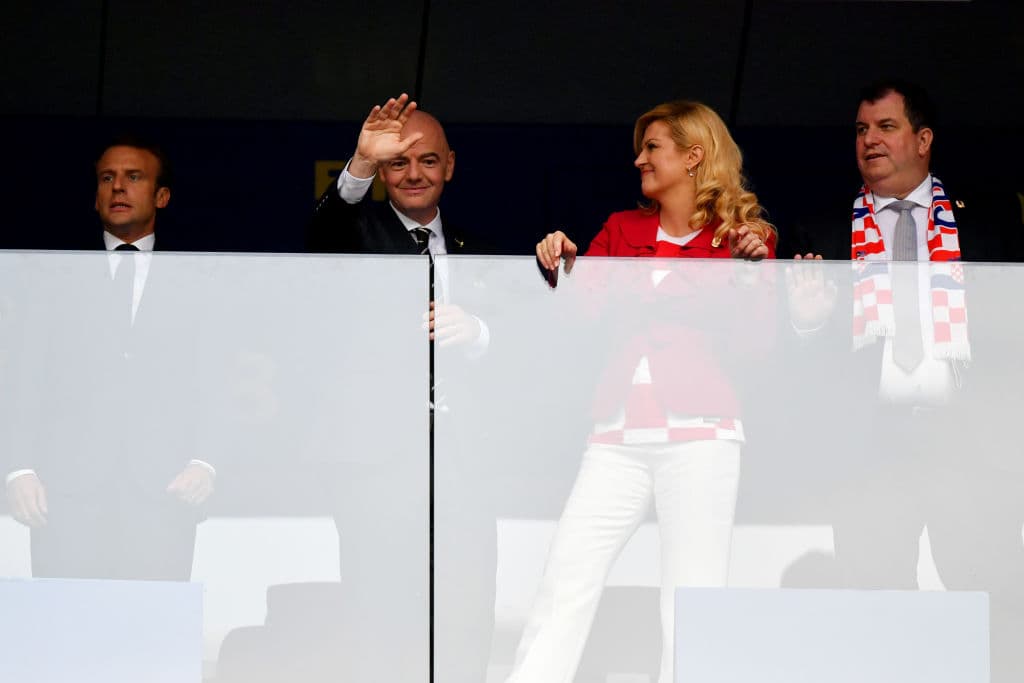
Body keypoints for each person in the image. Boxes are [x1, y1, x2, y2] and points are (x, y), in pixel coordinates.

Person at [515, 100, 774, 683]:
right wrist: (561, 262)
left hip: (702, 439)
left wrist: (752, 276)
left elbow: (757, 347)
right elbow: (578, 320)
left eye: (652, 147)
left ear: (693, 155)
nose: (639, 159)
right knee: (565, 582)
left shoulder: (743, 238)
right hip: (615, 437)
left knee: (692, 601)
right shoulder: (620, 228)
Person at [781, 80, 1024, 683]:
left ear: (923, 138)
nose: (869, 141)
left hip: (968, 440)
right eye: (861, 130)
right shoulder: (823, 229)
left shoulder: (990, 219)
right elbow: (794, 358)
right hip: (871, 441)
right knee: (873, 595)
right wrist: (807, 325)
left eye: (886, 127)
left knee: (989, 592)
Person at [307, 94, 496, 683]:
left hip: (462, 464)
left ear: (452, 166)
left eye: (428, 162)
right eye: (399, 164)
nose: (414, 175)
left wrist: (480, 333)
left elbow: (517, 347)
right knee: (376, 612)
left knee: (466, 611)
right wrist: (361, 162)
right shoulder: (356, 231)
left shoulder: (475, 245)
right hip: (375, 465)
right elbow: (323, 232)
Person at [4, 136, 214, 580]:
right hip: (63, 494)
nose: (118, 188)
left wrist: (205, 462)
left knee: (152, 633)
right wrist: (18, 468)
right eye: (107, 178)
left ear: (162, 195)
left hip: (165, 490)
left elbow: (214, 380)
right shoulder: (54, 277)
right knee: (67, 634)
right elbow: (23, 378)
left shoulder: (198, 280)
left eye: (133, 177)